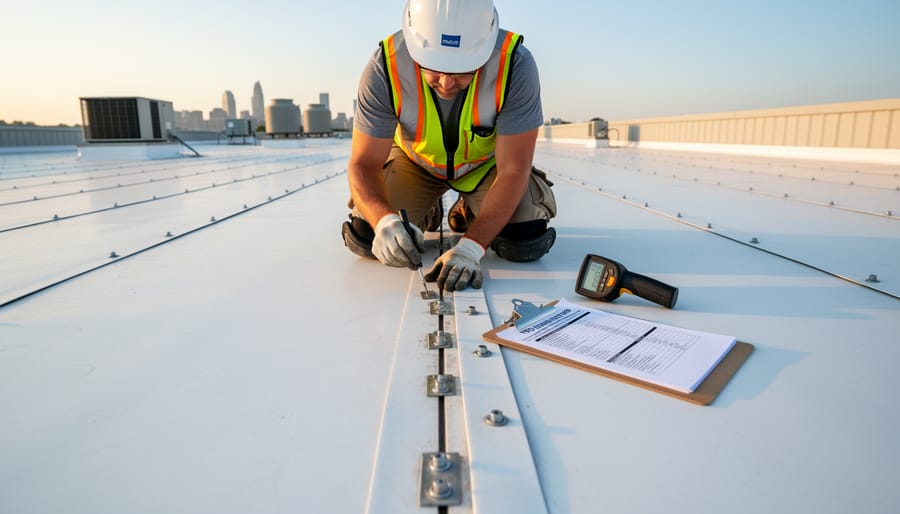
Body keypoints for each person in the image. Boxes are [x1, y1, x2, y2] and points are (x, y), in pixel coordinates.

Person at [341, 0, 557, 291]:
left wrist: (472, 247)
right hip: (415, 164)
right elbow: (363, 163)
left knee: (524, 239)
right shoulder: (385, 65)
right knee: (367, 235)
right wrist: (384, 222)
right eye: (434, 68)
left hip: (485, 169)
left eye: (462, 70)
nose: (446, 83)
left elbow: (513, 170)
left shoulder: (515, 63)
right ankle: (425, 209)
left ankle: (470, 212)